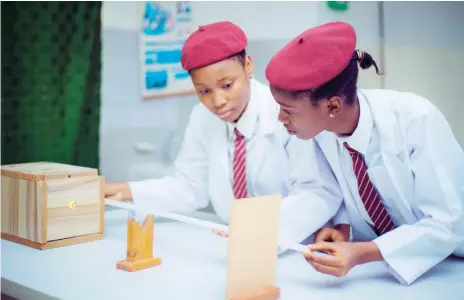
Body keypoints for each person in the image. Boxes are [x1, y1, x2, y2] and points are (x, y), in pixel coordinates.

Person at [105, 21, 344, 250]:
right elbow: (190, 187)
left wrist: (260, 227)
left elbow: (317, 192)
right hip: (230, 242)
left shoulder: (284, 113)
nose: (217, 102)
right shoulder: (202, 117)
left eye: (227, 85)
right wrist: (127, 190)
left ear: (248, 65)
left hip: (289, 243)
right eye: (204, 91)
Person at [264, 21, 464, 285]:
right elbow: (333, 189)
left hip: (448, 265)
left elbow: (449, 222)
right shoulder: (316, 132)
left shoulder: (416, 119)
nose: (280, 118)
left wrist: (363, 253)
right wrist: (342, 226)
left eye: (287, 110)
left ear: (332, 105)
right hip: (382, 274)